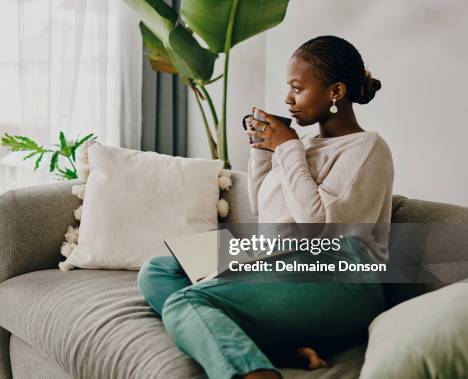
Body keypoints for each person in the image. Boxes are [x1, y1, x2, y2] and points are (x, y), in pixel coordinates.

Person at [137, 35, 394, 379]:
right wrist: (263, 151)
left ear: (335, 92)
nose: (288, 99)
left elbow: (318, 230)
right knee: (158, 271)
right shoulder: (303, 146)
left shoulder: (367, 148)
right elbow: (264, 212)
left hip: (341, 277)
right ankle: (276, 347)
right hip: (275, 255)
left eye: (297, 88)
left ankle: (252, 371)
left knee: (187, 301)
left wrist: (288, 149)